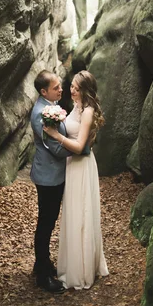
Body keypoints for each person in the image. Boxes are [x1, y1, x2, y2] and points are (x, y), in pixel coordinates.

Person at [43, 70, 109, 290]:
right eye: (71, 86)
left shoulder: (88, 111)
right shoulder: (76, 107)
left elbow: (80, 146)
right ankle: (73, 263)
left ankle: (82, 270)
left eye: (76, 88)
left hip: (81, 165)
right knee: (72, 213)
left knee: (82, 213)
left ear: (86, 91)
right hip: (72, 166)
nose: (71, 90)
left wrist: (56, 136)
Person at [30, 70, 74, 294]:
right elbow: (55, 148)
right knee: (46, 223)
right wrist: (77, 150)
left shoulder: (50, 106)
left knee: (48, 220)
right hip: (48, 177)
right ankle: (43, 275)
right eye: (56, 87)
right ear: (43, 91)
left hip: (52, 175)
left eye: (60, 86)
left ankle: (43, 263)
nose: (61, 89)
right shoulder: (41, 113)